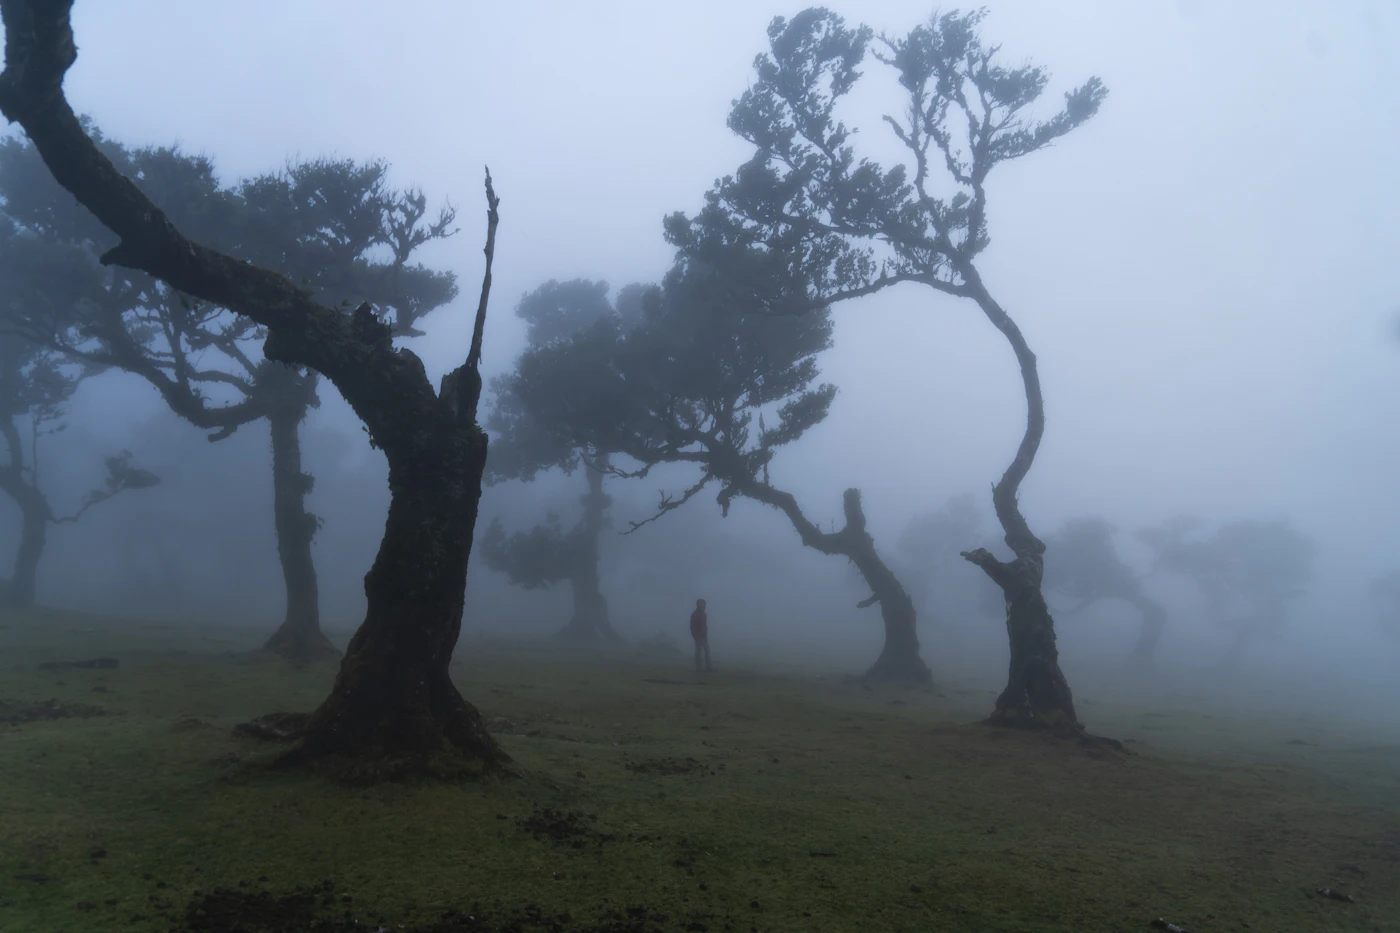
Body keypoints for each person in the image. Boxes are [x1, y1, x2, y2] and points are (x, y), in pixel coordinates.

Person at [690, 598, 714, 672]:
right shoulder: (695, 615)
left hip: (704, 635)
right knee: (698, 652)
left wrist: (705, 633)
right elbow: (692, 626)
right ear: (698, 605)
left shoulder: (704, 614)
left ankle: (708, 667)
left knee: (707, 650)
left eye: (703, 604)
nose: (703, 605)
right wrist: (694, 635)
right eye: (701, 604)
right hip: (698, 636)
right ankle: (699, 668)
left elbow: (704, 625)